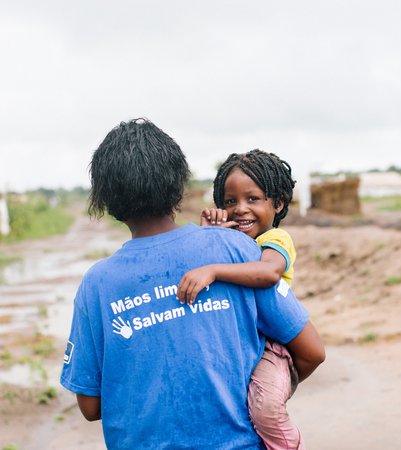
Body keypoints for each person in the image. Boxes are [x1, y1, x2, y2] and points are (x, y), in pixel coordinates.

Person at [60, 119, 325, 450]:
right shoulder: (237, 249)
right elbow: (312, 351)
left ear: (106, 199)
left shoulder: (96, 285)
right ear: (177, 185)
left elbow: (90, 406)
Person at [177, 150, 305, 449]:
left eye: (253, 199)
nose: (240, 209)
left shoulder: (274, 239)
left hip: (271, 347)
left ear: (279, 203)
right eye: (231, 201)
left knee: (267, 411)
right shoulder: (235, 241)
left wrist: (213, 269)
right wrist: (211, 236)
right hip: (241, 339)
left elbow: (268, 272)